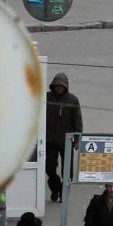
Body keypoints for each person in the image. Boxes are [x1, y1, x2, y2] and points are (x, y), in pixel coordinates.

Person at [44, 73, 83, 202]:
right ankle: (56, 188)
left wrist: (77, 139)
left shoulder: (72, 100)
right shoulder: (46, 98)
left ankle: (64, 193)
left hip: (67, 141)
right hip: (49, 141)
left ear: (65, 86)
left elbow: (77, 120)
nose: (58, 88)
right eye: (56, 86)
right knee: (49, 168)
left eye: (61, 86)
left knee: (68, 172)